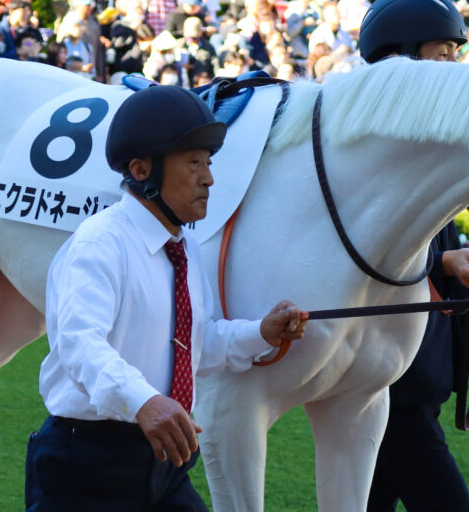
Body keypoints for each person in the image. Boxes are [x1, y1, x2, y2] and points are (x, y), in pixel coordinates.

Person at [25, 85, 308, 511]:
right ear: (141, 170)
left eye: (208, 163)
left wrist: (261, 333)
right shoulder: (100, 242)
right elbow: (78, 344)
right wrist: (145, 402)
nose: (209, 178)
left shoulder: (184, 248)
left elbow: (190, 345)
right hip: (86, 467)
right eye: (194, 162)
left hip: (164, 466)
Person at [358, 0, 469, 512]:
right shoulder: (370, 149)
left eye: (455, 54)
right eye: (442, 53)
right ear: (401, 55)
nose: (454, 66)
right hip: (388, 381)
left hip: (409, 380)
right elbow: (363, 253)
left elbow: (447, 255)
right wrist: (441, 261)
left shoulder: (429, 147)